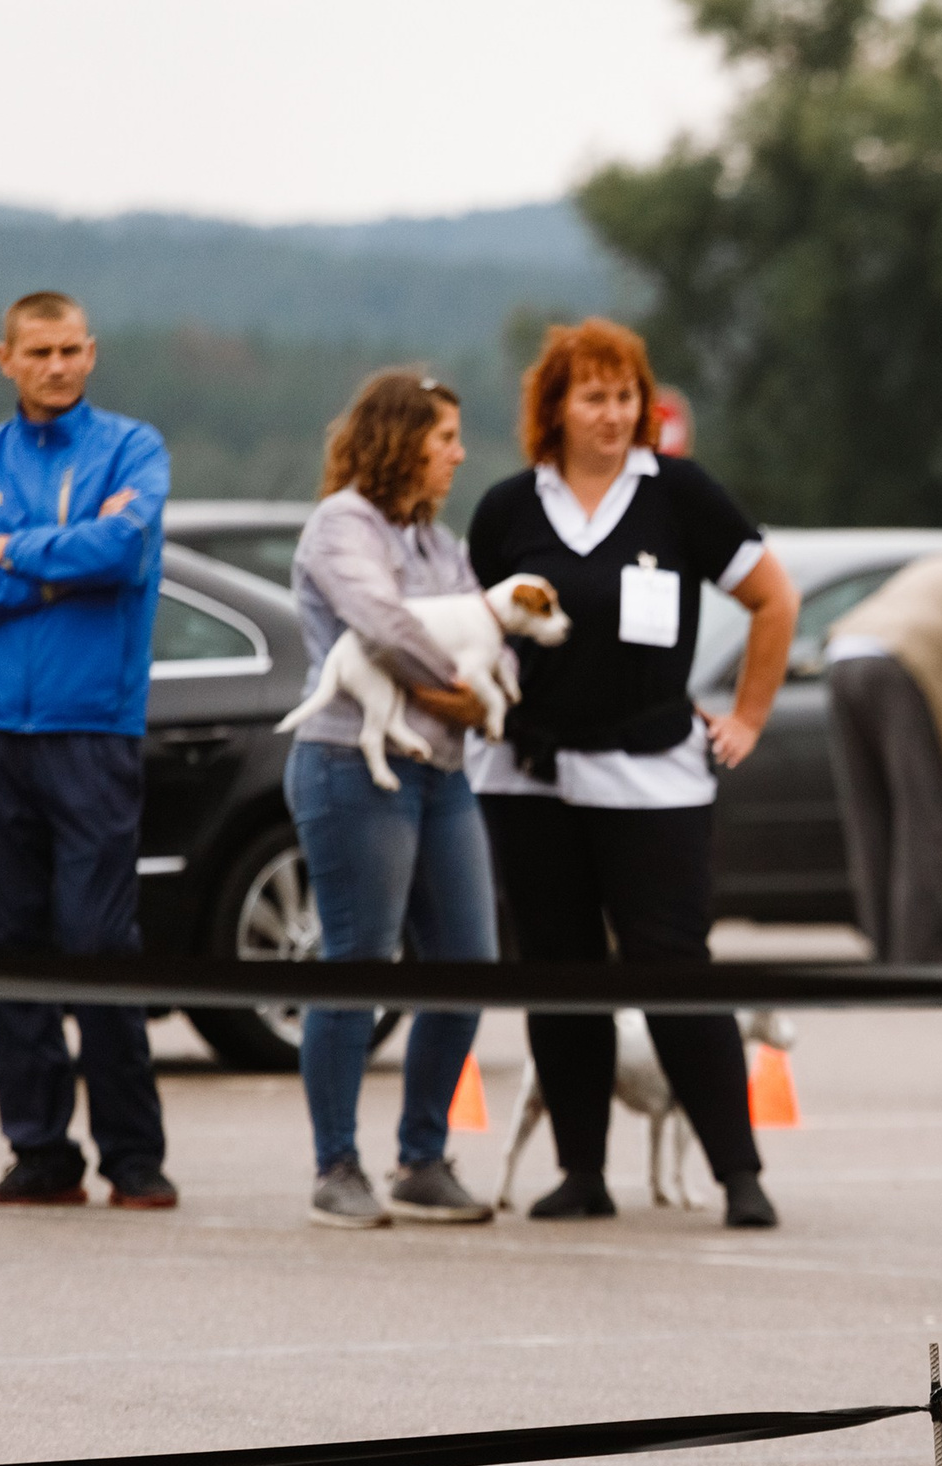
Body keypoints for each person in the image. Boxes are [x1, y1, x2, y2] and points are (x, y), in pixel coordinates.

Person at [467, 318, 797, 1229]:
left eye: (625, 398)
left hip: (654, 771)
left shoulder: (678, 493)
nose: (612, 415)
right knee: (560, 969)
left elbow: (774, 598)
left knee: (673, 967)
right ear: (555, 407)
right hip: (528, 772)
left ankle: (738, 1171)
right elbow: (480, 632)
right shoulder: (507, 509)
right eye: (593, 397)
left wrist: (750, 717)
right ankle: (581, 1172)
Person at [0, 291, 174, 1211]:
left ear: (92, 353)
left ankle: (134, 1154)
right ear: (7, 360)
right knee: (8, 944)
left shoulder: (133, 449)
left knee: (100, 942)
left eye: (72, 349)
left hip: (91, 730)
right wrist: (51, 576)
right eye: (40, 352)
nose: (58, 366)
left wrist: (14, 552)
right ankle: (39, 1151)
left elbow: (121, 551)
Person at [285, 370, 502, 1229]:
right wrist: (463, 685)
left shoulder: (442, 544)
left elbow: (498, 633)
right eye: (445, 437)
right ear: (401, 438)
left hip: (444, 772)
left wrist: (477, 695)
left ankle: (421, 1157)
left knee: (467, 963)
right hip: (352, 765)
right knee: (360, 962)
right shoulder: (344, 524)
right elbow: (377, 618)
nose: (457, 454)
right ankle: (335, 1164)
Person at [824, 550, 942, 963]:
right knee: (923, 818)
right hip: (903, 662)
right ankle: (918, 957)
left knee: (871, 815)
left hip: (843, 654)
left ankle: (885, 951)